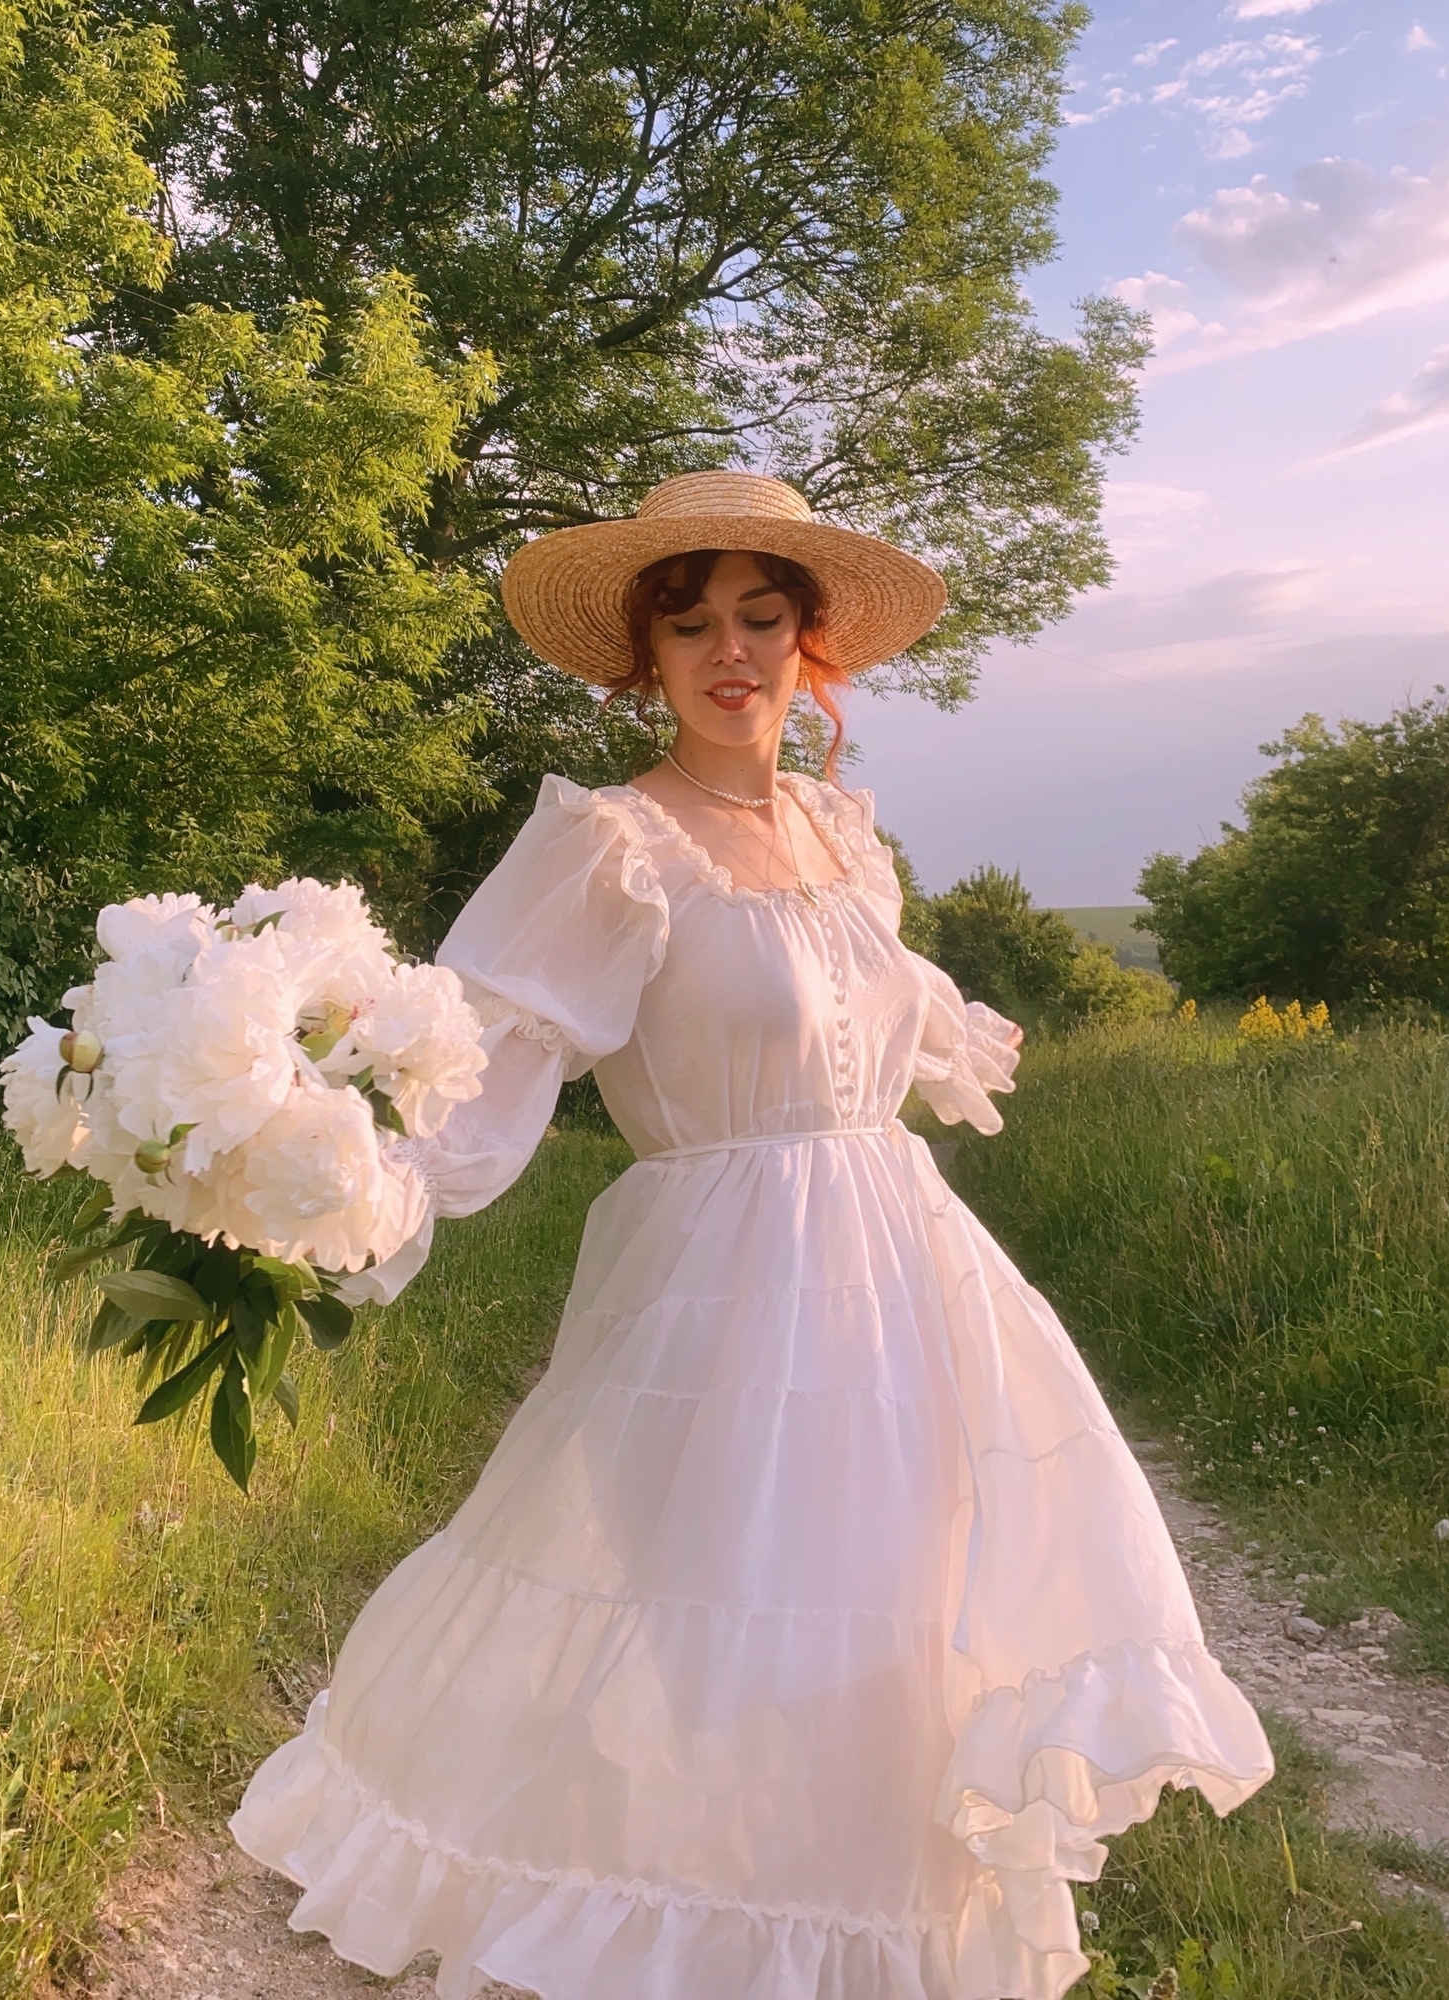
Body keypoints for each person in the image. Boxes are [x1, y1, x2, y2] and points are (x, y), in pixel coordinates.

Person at [230, 473, 1272, 2000]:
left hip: (904, 1294)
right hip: (718, 1301)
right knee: (719, 1647)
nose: (730, 652)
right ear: (641, 659)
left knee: (892, 1656)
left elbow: (882, 1032)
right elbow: (476, 1056)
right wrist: (306, 1171)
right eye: (691, 623)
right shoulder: (612, 845)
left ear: (811, 645)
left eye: (762, 618)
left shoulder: (845, 840)